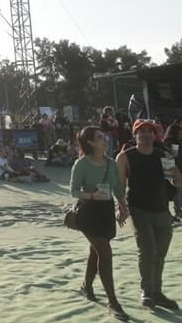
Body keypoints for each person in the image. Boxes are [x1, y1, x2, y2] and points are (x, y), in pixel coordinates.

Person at [116, 119, 182, 310]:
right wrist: (121, 207)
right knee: (148, 251)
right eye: (141, 131)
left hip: (162, 210)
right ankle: (146, 291)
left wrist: (177, 176)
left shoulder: (163, 155)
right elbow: (119, 186)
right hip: (139, 210)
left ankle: (157, 292)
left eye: (149, 131)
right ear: (135, 135)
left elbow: (175, 182)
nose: (145, 134)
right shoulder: (126, 156)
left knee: (160, 254)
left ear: (155, 136)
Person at [70, 126, 129, 320]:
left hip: (105, 211)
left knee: (96, 250)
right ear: (90, 142)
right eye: (100, 138)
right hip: (88, 212)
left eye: (105, 137)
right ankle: (113, 301)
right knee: (103, 250)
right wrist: (92, 195)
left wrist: (123, 207)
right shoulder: (81, 164)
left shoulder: (111, 164)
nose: (105, 140)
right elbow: (74, 191)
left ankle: (86, 287)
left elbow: (118, 188)